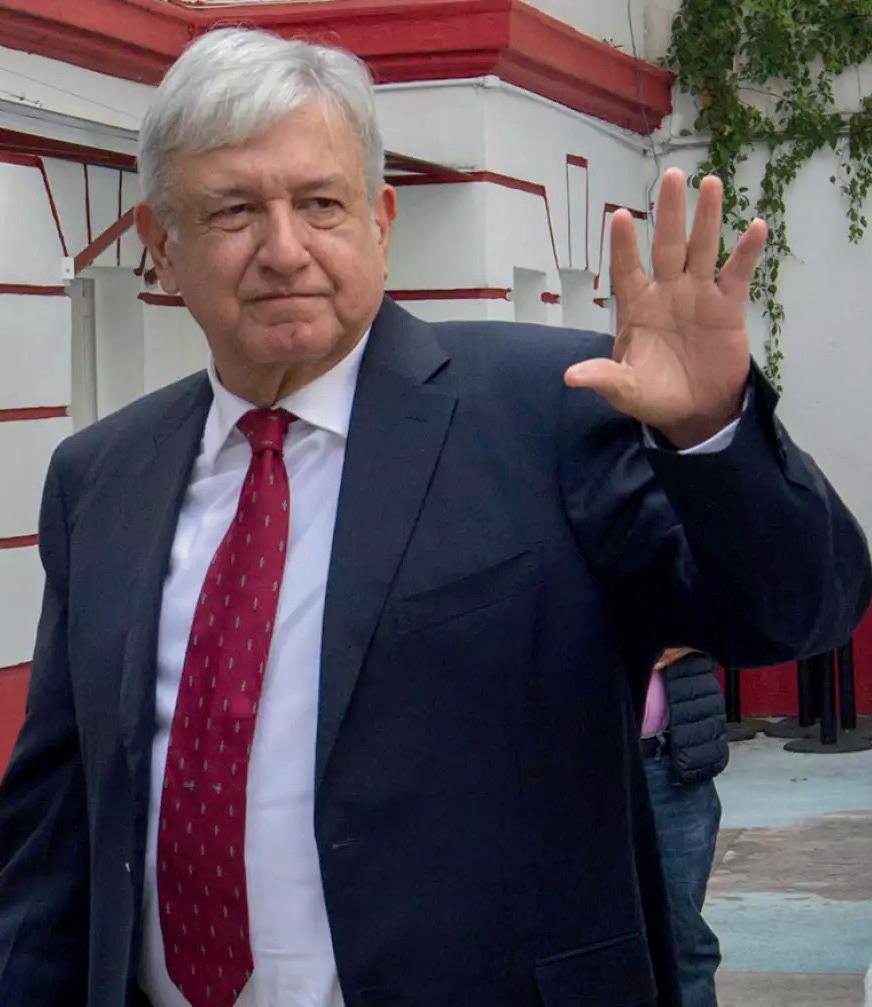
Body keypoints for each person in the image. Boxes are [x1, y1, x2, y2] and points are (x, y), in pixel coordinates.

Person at [0, 27, 868, 1007]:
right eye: (234, 209)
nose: (283, 249)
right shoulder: (99, 478)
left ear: (380, 221)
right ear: (161, 244)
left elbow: (794, 614)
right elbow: (54, 831)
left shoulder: (550, 410)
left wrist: (711, 432)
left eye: (320, 203)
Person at [642, 649, 728, 1007]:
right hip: (568, 768)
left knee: (682, 945)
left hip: (667, 765)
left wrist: (678, 629)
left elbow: (735, 621)